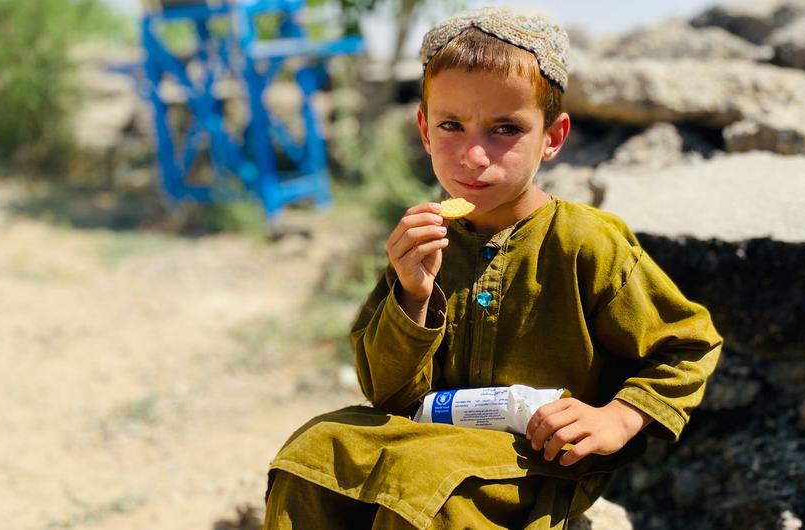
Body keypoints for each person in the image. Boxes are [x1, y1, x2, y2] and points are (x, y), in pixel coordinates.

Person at [263, 7, 723, 529]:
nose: (474, 156)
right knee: (313, 451)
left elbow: (688, 346)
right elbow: (389, 395)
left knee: (420, 490)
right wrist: (413, 297)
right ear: (424, 129)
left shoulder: (584, 240)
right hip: (433, 434)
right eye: (451, 126)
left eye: (505, 129)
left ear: (552, 136)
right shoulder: (426, 239)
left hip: (538, 460)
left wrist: (616, 418)